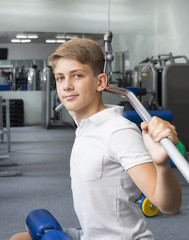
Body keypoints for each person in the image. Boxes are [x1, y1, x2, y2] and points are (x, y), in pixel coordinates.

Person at [10, 39, 182, 240]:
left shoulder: (118, 132)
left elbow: (168, 205)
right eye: (60, 78)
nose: (66, 86)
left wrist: (161, 165)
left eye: (77, 75)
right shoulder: (84, 125)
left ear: (100, 82)